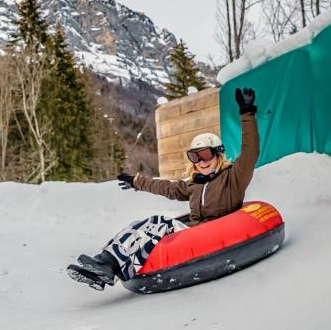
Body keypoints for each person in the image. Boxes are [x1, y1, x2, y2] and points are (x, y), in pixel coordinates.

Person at [67, 87, 259, 291]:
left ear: (218, 155)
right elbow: (167, 187)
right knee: (139, 226)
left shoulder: (234, 178)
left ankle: (107, 265)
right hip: (194, 233)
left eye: (205, 154)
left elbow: (250, 151)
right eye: (195, 157)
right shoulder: (195, 185)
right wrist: (136, 182)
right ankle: (103, 266)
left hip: (218, 231)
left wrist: (247, 113)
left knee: (156, 223)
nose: (201, 162)